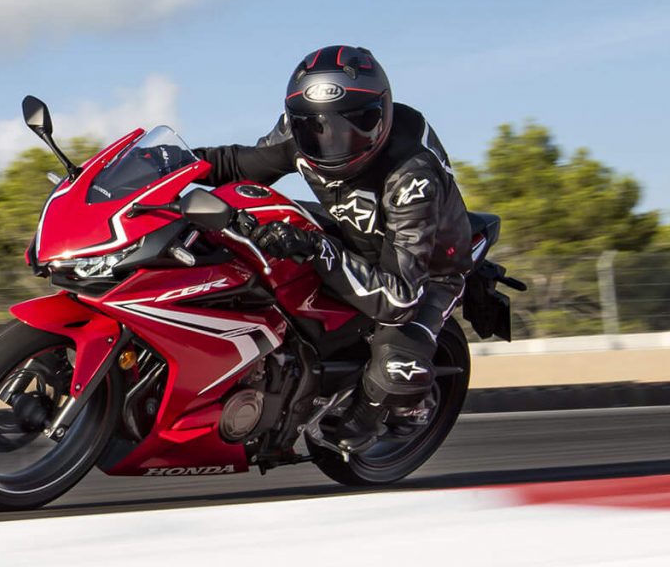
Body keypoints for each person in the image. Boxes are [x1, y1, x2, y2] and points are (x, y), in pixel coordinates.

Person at [193, 46, 472, 451]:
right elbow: (239, 164)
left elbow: (398, 298)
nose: (332, 139)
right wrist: (172, 163)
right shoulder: (297, 136)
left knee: (394, 368)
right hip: (348, 233)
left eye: (355, 124)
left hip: (424, 271)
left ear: (382, 114)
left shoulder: (412, 176)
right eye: (316, 128)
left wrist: (316, 248)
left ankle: (403, 412)